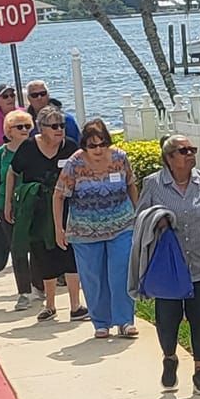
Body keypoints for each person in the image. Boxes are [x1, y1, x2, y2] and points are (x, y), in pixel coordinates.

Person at [137, 133, 200, 394]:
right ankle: (170, 357)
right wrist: (157, 221)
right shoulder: (153, 184)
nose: (190, 154)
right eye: (184, 151)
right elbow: (139, 218)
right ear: (169, 158)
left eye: (192, 149)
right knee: (167, 317)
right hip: (168, 265)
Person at [55, 118, 139, 339]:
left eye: (102, 143)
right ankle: (101, 322)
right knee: (93, 277)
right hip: (84, 230)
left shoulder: (120, 158)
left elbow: (131, 185)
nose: (98, 149)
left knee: (120, 273)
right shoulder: (75, 163)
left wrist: (137, 216)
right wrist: (59, 229)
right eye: (92, 145)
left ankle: (125, 320)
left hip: (121, 224)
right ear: (84, 145)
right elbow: (58, 195)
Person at [6, 104, 84, 322]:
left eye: (61, 125)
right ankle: (50, 305)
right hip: (37, 210)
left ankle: (75, 305)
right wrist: (8, 204)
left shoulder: (70, 147)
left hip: (66, 207)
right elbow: (13, 172)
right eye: (54, 126)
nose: (59, 130)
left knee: (69, 254)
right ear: (41, 128)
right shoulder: (29, 147)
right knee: (43, 255)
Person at [0, 109, 37, 303]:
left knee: (36, 247)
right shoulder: (1, 153)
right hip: (5, 206)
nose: (24, 130)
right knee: (17, 249)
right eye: (19, 127)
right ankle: (23, 291)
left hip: (31, 205)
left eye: (27, 126)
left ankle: (38, 285)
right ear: (9, 130)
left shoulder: (34, 148)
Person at [26, 78, 80, 148]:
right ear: (28, 98)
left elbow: (76, 145)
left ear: (48, 95)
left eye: (43, 94)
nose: (39, 98)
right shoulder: (25, 123)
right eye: (34, 95)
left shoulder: (66, 119)